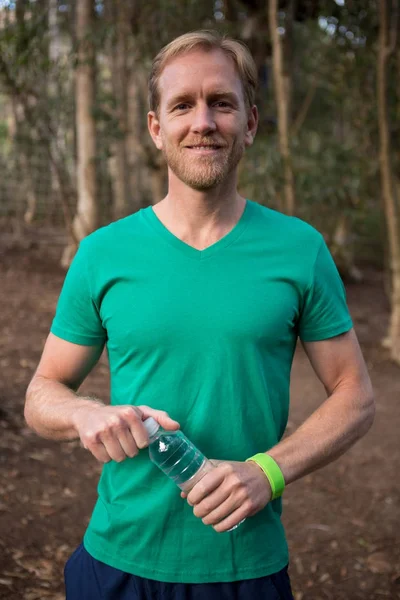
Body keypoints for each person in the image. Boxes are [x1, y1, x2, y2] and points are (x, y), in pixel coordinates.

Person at [24, 30, 375, 600]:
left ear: (251, 123)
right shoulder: (102, 254)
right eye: (182, 105)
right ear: (156, 128)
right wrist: (82, 413)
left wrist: (268, 471)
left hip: (246, 566)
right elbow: (44, 390)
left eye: (222, 103)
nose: (203, 121)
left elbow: (355, 395)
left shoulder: (299, 249)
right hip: (117, 562)